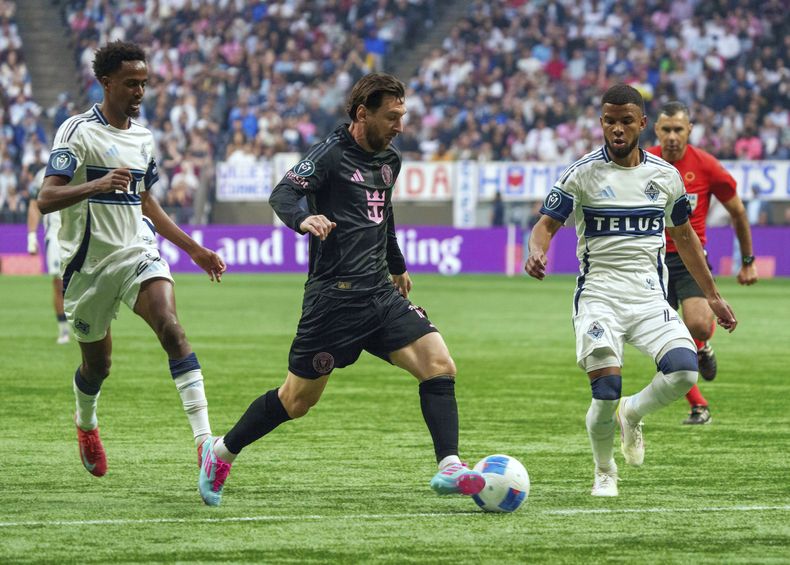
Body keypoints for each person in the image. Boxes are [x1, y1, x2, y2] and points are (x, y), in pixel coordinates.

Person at [197, 72, 484, 507]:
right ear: (361, 113)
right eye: (391, 117)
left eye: (402, 116)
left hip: (379, 295)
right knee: (296, 401)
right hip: (333, 300)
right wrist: (304, 220)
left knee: (439, 363)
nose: (399, 126)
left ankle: (450, 467)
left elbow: (382, 214)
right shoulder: (329, 155)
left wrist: (396, 265)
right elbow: (283, 194)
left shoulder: (391, 160)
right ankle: (220, 453)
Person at [525, 84, 737, 498]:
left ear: (642, 124)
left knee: (683, 370)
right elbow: (545, 224)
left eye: (625, 121)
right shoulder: (581, 173)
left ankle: (633, 413)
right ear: (601, 123)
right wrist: (537, 251)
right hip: (599, 297)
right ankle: (605, 471)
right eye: (609, 121)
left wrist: (712, 295)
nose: (617, 129)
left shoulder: (664, 177)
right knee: (605, 390)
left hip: (648, 298)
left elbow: (686, 238)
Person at [37, 41, 226, 479]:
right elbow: (46, 198)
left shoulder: (143, 138)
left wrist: (193, 248)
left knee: (173, 330)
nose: (140, 92)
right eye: (130, 84)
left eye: (144, 83)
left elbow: (145, 201)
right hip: (87, 267)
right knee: (97, 366)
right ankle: (86, 424)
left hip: (136, 252)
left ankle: (206, 447)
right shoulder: (76, 131)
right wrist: (96, 185)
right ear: (106, 83)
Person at [648, 101, 757, 425]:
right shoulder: (642, 163)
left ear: (689, 131)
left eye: (678, 130)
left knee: (696, 324)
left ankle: (703, 344)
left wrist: (748, 260)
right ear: (656, 130)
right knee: (663, 341)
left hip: (690, 258)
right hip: (650, 261)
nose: (671, 136)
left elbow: (737, 211)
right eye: (665, 129)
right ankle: (698, 405)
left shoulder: (706, 166)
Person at [27, 167, 70, 345]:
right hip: (55, 233)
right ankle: (64, 330)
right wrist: (31, 236)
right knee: (59, 283)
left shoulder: (86, 163)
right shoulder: (43, 173)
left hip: (81, 232)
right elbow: (34, 205)